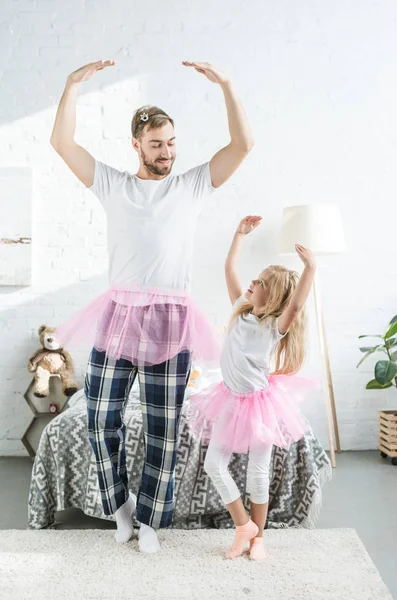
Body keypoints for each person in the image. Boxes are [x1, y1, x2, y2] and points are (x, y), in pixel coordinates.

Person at [50, 59, 254, 553]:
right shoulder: (113, 184)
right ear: (137, 145)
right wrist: (71, 84)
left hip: (170, 318)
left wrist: (227, 83)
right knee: (101, 418)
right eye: (156, 143)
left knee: (164, 427)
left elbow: (242, 146)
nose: (166, 152)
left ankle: (149, 522)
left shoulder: (191, 185)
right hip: (120, 315)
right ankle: (120, 508)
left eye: (171, 143)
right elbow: (63, 144)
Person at [189, 215, 316, 561]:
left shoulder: (276, 327)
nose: (252, 283)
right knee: (215, 465)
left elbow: (297, 303)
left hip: (260, 406)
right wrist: (238, 235)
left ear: (271, 296)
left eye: (259, 282)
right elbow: (229, 269)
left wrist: (310, 268)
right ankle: (244, 525)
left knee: (257, 475)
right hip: (229, 400)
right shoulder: (241, 311)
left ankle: (259, 539)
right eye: (256, 279)